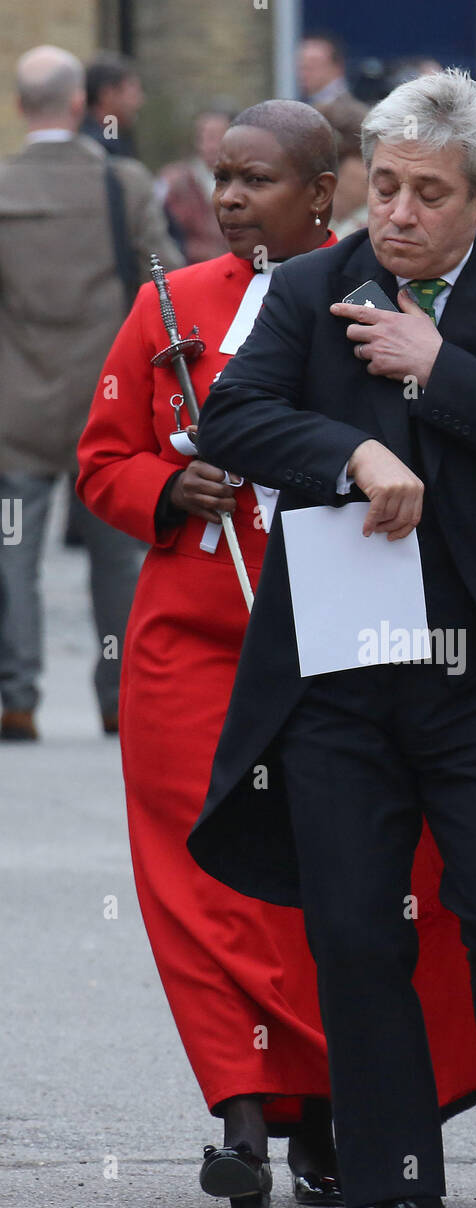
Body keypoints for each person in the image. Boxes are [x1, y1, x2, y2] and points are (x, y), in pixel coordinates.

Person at [77, 97, 476, 1208]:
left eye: (430, 193)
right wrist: (350, 448)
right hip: (337, 677)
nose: (398, 212)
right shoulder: (309, 290)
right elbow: (236, 421)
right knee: (355, 938)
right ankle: (401, 1200)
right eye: (386, 185)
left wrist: (435, 362)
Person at [0, 46, 182, 742]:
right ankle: (120, 696)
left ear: (21, 106)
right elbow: (163, 293)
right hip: (110, 406)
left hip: (14, 406)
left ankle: (17, 698)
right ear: (80, 104)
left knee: (13, 556)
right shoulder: (124, 183)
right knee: (119, 559)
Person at [157, 107, 235, 264]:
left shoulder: (243, 183)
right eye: (204, 137)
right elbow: (164, 235)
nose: (209, 145)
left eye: (216, 137)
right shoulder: (177, 182)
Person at [298, 32, 367, 133]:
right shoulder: (305, 108)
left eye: (313, 64)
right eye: (302, 65)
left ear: (338, 67)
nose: (304, 72)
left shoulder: (353, 116)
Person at [80, 51, 144, 158]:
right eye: (134, 92)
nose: (140, 100)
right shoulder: (98, 147)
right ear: (108, 95)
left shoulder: (110, 134)